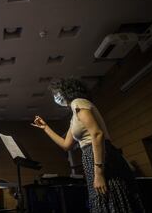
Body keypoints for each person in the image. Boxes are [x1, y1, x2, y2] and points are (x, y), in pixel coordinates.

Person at [31, 78, 144, 213]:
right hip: (93, 157)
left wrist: (99, 173)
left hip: (101, 158)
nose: (56, 97)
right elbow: (66, 145)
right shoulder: (74, 116)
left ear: (67, 91)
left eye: (57, 93)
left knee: (111, 200)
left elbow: (97, 134)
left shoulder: (77, 102)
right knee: (106, 201)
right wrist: (45, 128)